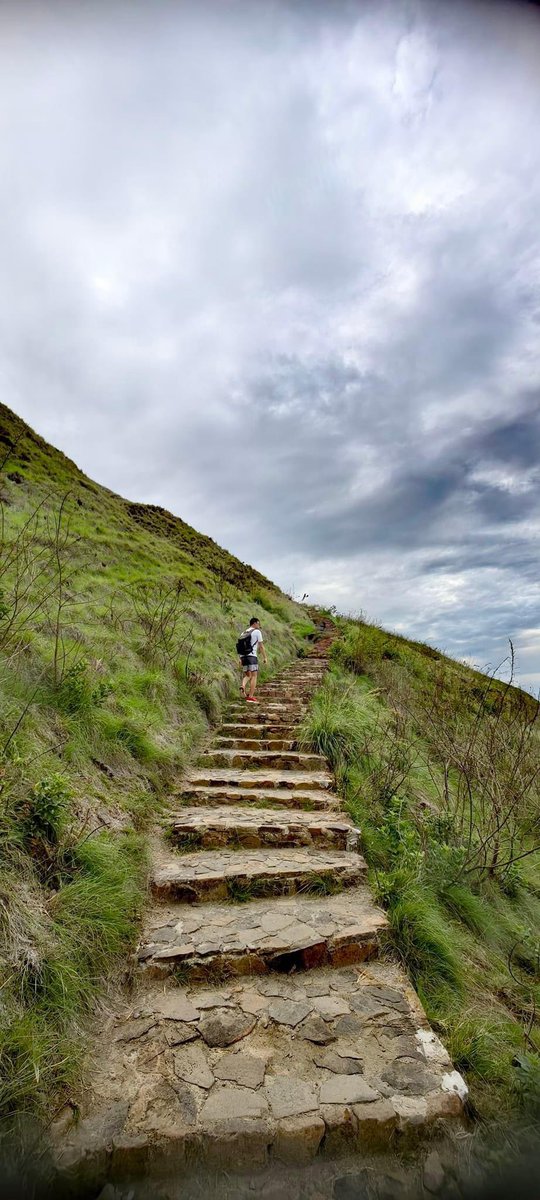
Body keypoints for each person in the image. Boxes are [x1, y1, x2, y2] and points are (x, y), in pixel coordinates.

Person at [239, 617, 268, 702]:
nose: (259, 625)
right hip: (252, 657)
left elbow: (239, 647)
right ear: (254, 623)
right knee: (254, 676)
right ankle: (250, 696)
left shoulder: (243, 632)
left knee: (248, 675)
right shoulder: (257, 632)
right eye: (258, 623)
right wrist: (265, 657)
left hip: (243, 657)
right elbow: (261, 646)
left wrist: (240, 658)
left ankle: (243, 686)